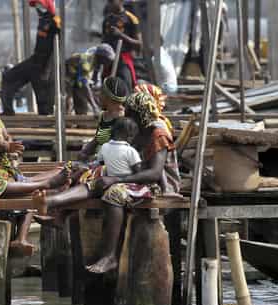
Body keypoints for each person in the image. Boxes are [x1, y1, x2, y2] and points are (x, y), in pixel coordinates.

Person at [33, 91, 181, 274]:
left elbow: (154, 173)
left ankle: (110, 256)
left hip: (159, 185)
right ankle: (56, 208)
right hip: (134, 176)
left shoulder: (158, 133)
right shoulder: (134, 128)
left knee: (114, 193)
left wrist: (117, 178)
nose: (125, 115)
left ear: (138, 114)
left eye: (129, 112)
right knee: (93, 177)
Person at [1, 0, 61, 116]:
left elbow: (58, 46)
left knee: (43, 98)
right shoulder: (43, 19)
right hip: (36, 60)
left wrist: (48, 69)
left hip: (46, 64)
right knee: (9, 77)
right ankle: (8, 111)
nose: (38, 8)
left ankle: (46, 120)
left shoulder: (55, 20)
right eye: (36, 6)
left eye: (40, 5)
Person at [76, 77, 130, 163]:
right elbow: (98, 139)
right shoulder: (104, 116)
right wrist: (85, 151)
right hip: (97, 161)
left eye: (101, 92)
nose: (98, 95)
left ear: (107, 97)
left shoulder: (124, 120)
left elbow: (117, 150)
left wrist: (96, 159)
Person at [102, 0, 142, 90]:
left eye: (111, 1)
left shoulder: (131, 18)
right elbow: (103, 41)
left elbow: (139, 44)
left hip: (124, 61)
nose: (109, 4)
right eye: (108, 1)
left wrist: (121, 35)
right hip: (108, 63)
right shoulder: (107, 20)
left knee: (124, 89)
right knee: (108, 91)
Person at [65, 44, 116, 115]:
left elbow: (93, 84)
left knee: (83, 108)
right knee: (69, 101)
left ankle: (80, 120)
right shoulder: (87, 62)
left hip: (78, 78)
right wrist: (94, 106)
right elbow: (84, 85)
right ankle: (67, 120)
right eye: (108, 60)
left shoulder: (98, 62)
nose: (109, 63)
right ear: (101, 57)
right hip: (68, 76)